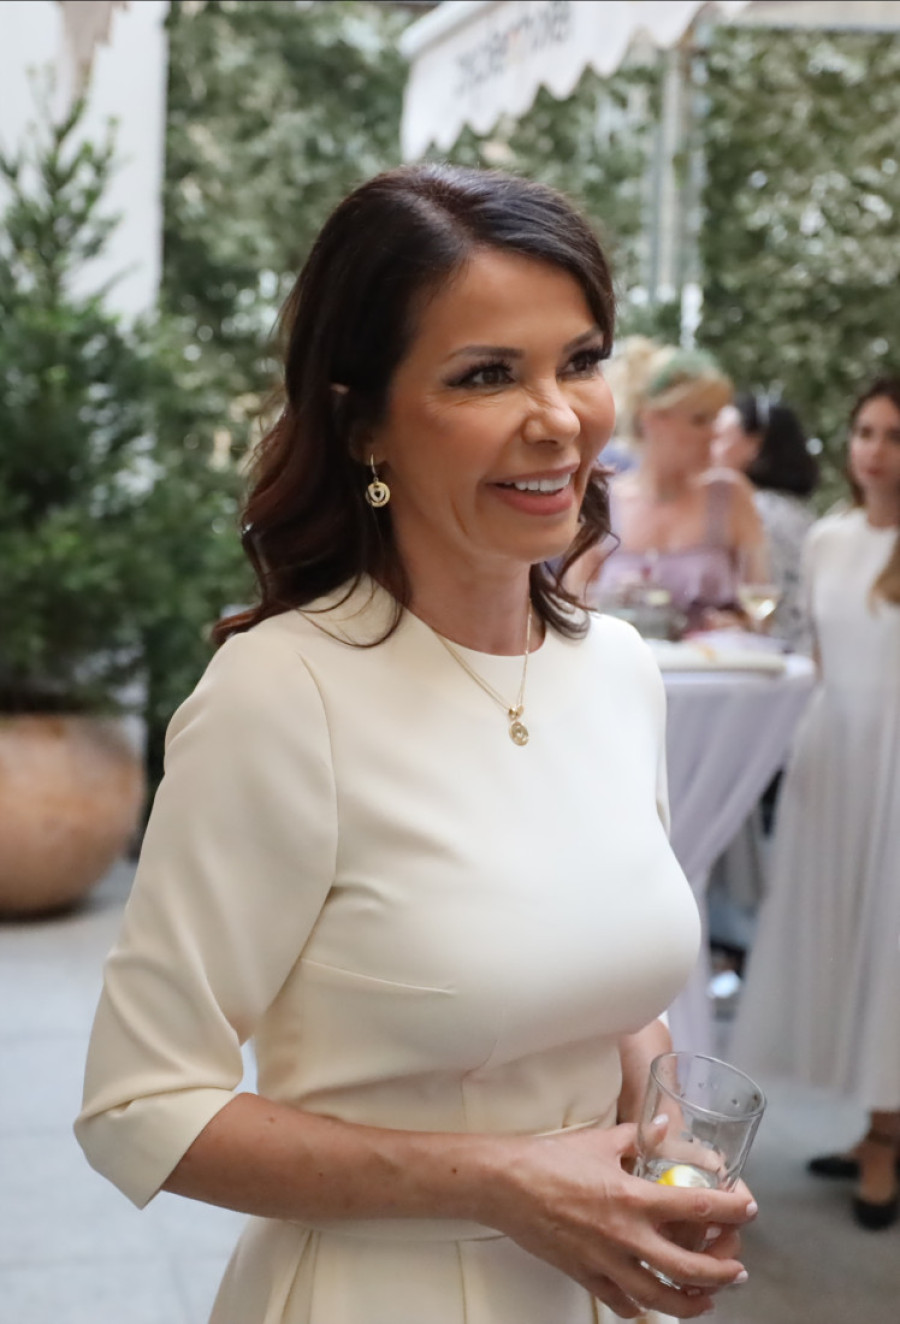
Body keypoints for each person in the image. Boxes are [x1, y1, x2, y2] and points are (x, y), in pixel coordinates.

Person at [75, 165, 756, 1324]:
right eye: (486, 374)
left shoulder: (617, 670)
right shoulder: (283, 695)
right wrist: (502, 1180)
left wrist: (656, 1135)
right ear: (363, 424)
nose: (559, 417)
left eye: (580, 360)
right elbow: (137, 1105)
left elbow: (598, 989)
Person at [731, 377, 900, 1231]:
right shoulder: (831, 538)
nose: (874, 450)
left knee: (891, 944)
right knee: (840, 942)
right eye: (865, 431)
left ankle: (884, 1138)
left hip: (895, 762)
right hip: (834, 755)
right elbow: (816, 653)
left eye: (894, 436)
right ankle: (874, 1118)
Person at [567, 338, 767, 630]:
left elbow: (763, 611)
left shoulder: (730, 495)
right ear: (653, 419)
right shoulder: (603, 503)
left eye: (715, 419)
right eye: (700, 419)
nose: (714, 433)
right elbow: (573, 610)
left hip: (714, 658)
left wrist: (737, 623)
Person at [713, 394, 819, 653]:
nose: (708, 446)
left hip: (774, 657)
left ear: (754, 445)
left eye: (719, 438)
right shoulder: (797, 512)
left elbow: (767, 605)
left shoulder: (755, 513)